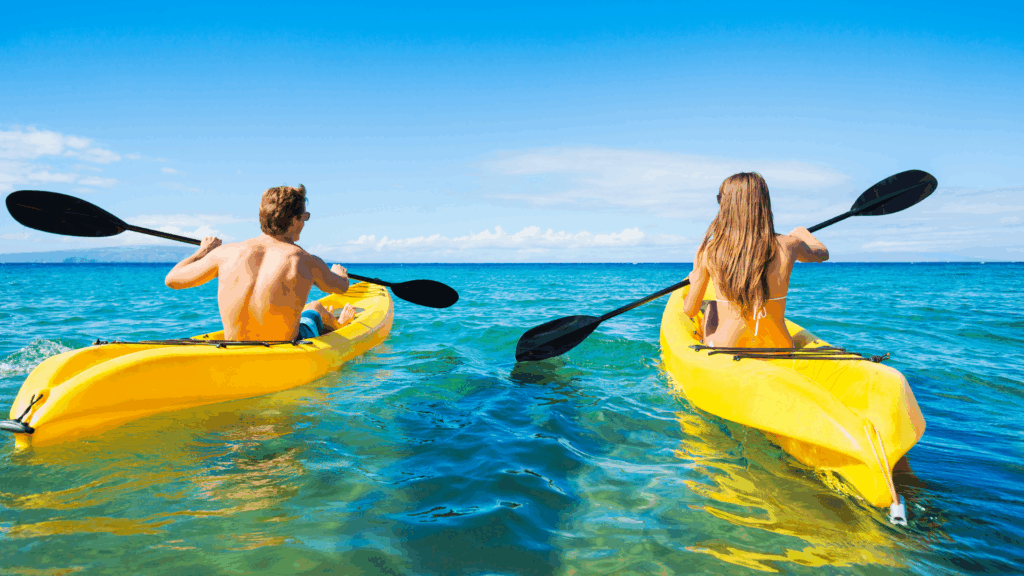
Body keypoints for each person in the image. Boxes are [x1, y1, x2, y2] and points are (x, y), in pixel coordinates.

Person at [164, 184, 357, 341]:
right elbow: (340, 288)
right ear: (294, 220)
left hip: (235, 348)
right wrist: (340, 273)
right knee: (315, 308)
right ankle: (339, 323)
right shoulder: (306, 261)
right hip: (285, 348)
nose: (304, 223)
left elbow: (172, 280)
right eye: (304, 217)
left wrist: (203, 251)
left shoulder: (225, 253)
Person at [682, 172, 829, 348]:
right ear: (764, 203)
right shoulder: (790, 245)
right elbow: (822, 254)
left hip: (727, 347)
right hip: (779, 347)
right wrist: (802, 233)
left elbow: (690, 310)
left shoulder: (709, 249)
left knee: (712, 308)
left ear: (726, 204)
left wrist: (695, 278)